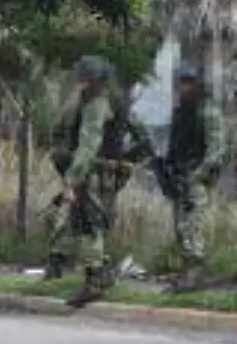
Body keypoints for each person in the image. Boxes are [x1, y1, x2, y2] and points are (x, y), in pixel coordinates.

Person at [50, 54, 153, 307]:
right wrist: (126, 160)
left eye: (85, 79)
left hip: (93, 171)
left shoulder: (97, 105)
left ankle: (93, 281)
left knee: (89, 226)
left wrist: (72, 181)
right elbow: (142, 137)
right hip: (107, 172)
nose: (81, 83)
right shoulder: (117, 101)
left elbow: (88, 145)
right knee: (91, 224)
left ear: (96, 81)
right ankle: (101, 275)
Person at [161, 61, 227, 291]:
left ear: (198, 84)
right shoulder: (181, 112)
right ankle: (185, 272)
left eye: (189, 82)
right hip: (179, 175)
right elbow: (174, 144)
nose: (184, 87)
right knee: (180, 226)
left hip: (196, 175)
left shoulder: (208, 111)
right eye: (182, 82)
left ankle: (195, 273)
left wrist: (199, 175)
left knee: (193, 225)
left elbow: (217, 149)